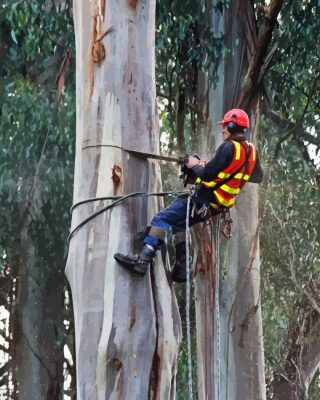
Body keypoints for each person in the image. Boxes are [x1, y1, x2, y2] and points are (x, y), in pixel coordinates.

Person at [114, 109, 263, 282]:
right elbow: (257, 176)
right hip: (216, 207)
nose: (223, 130)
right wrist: (221, 168)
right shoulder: (252, 152)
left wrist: (194, 165)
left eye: (225, 126)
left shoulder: (229, 147)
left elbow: (206, 175)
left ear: (231, 125)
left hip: (203, 200)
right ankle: (182, 268)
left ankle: (143, 260)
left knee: (162, 218)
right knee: (179, 224)